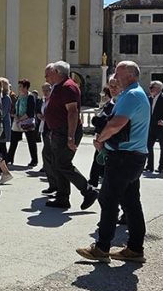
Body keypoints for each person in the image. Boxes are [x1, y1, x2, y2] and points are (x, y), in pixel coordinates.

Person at [77, 61, 150, 263]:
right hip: (134, 156)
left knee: (108, 201)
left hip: (123, 158)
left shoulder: (131, 95)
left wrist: (100, 139)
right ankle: (135, 248)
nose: (115, 77)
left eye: (118, 73)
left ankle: (101, 248)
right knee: (131, 203)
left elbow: (117, 124)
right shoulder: (136, 93)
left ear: (130, 75)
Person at [42, 61, 95, 210]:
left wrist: (70, 137)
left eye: (48, 73)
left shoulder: (68, 87)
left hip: (65, 131)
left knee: (63, 164)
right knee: (58, 165)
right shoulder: (59, 87)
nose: (46, 77)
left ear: (58, 72)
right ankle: (62, 197)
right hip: (59, 131)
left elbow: (72, 112)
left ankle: (88, 191)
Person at [88, 76, 120, 190]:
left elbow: (110, 123)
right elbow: (100, 120)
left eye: (116, 86)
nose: (113, 88)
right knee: (98, 161)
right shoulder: (109, 104)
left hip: (113, 142)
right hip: (102, 138)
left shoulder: (122, 103)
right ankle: (93, 182)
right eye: (111, 86)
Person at [7, 79, 39, 168]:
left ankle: (34, 160)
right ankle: (9, 158)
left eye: (21, 86)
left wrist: (20, 119)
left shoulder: (30, 97)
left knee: (31, 141)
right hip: (18, 121)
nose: (19, 88)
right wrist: (16, 116)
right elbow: (16, 107)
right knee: (14, 141)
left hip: (26, 121)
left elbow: (30, 112)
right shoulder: (20, 96)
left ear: (25, 87)